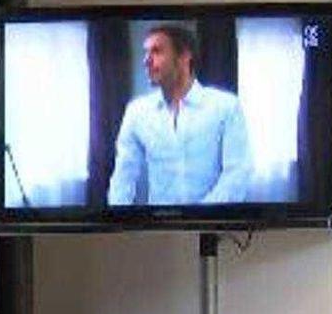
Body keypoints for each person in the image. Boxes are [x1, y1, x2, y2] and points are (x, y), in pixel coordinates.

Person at [106, 24, 252, 206]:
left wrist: (200, 216)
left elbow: (238, 172)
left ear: (184, 56)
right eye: (146, 52)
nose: (146, 60)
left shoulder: (225, 106)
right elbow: (123, 175)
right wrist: (119, 218)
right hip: (158, 222)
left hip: (212, 221)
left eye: (156, 51)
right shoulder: (137, 111)